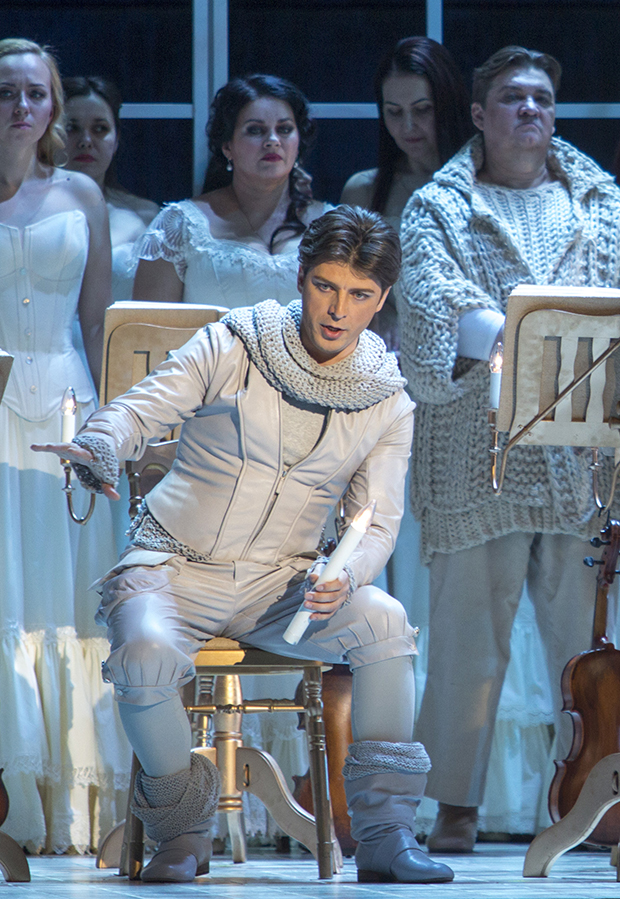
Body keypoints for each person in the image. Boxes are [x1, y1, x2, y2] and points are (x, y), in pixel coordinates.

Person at [34, 205, 454, 885]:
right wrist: (99, 445)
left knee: (385, 622)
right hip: (173, 566)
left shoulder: (386, 398)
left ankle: (385, 834)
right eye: (325, 285)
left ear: (382, 299)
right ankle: (182, 829)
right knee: (143, 656)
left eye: (359, 294)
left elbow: (375, 521)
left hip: (281, 584)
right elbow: (143, 407)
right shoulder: (236, 342)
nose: (338, 309)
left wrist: (345, 577)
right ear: (301, 275)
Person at [398, 45, 620, 853]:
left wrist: (550, 338)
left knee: (584, 650)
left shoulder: (601, 203)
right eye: (514, 99)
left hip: (582, 455)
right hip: (476, 454)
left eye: (543, 99)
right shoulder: (439, 207)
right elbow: (435, 306)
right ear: (481, 115)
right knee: (466, 642)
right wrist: (538, 334)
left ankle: (592, 795)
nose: (532, 110)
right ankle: (452, 805)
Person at [0, 39, 128, 852]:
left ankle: (81, 794)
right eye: (5, 93)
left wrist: (112, 429)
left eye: (34, 94)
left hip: (70, 399)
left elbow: (99, 321)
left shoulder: (80, 192)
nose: (21, 108)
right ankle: (12, 797)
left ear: (53, 105)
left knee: (73, 596)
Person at [132, 74, 330, 308]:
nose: (273, 140)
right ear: (227, 146)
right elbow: (146, 331)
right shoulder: (180, 225)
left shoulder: (332, 224)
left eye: (285, 129)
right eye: (256, 130)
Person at [340, 36, 471, 350]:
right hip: (392, 358)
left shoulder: (483, 181)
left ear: (448, 104)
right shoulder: (365, 191)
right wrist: (377, 314)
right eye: (394, 112)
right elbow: (343, 285)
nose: (408, 126)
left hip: (476, 350)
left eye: (422, 109)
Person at [62, 76, 159, 302]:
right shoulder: (23, 210)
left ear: (115, 141)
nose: (85, 140)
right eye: (71, 128)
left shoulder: (146, 216)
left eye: (99, 129)